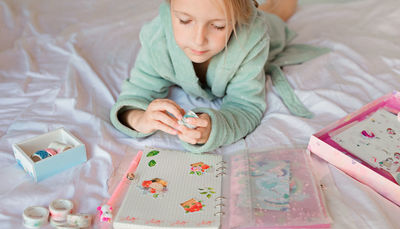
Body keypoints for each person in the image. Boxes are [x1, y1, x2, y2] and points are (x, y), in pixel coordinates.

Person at [110, 0, 322, 153]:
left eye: (218, 26)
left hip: (268, 29)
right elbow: (136, 93)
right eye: (184, 20)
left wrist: (213, 129)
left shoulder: (252, 38)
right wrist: (141, 118)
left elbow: (246, 106)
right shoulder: (158, 38)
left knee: (277, 14)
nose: (198, 40)